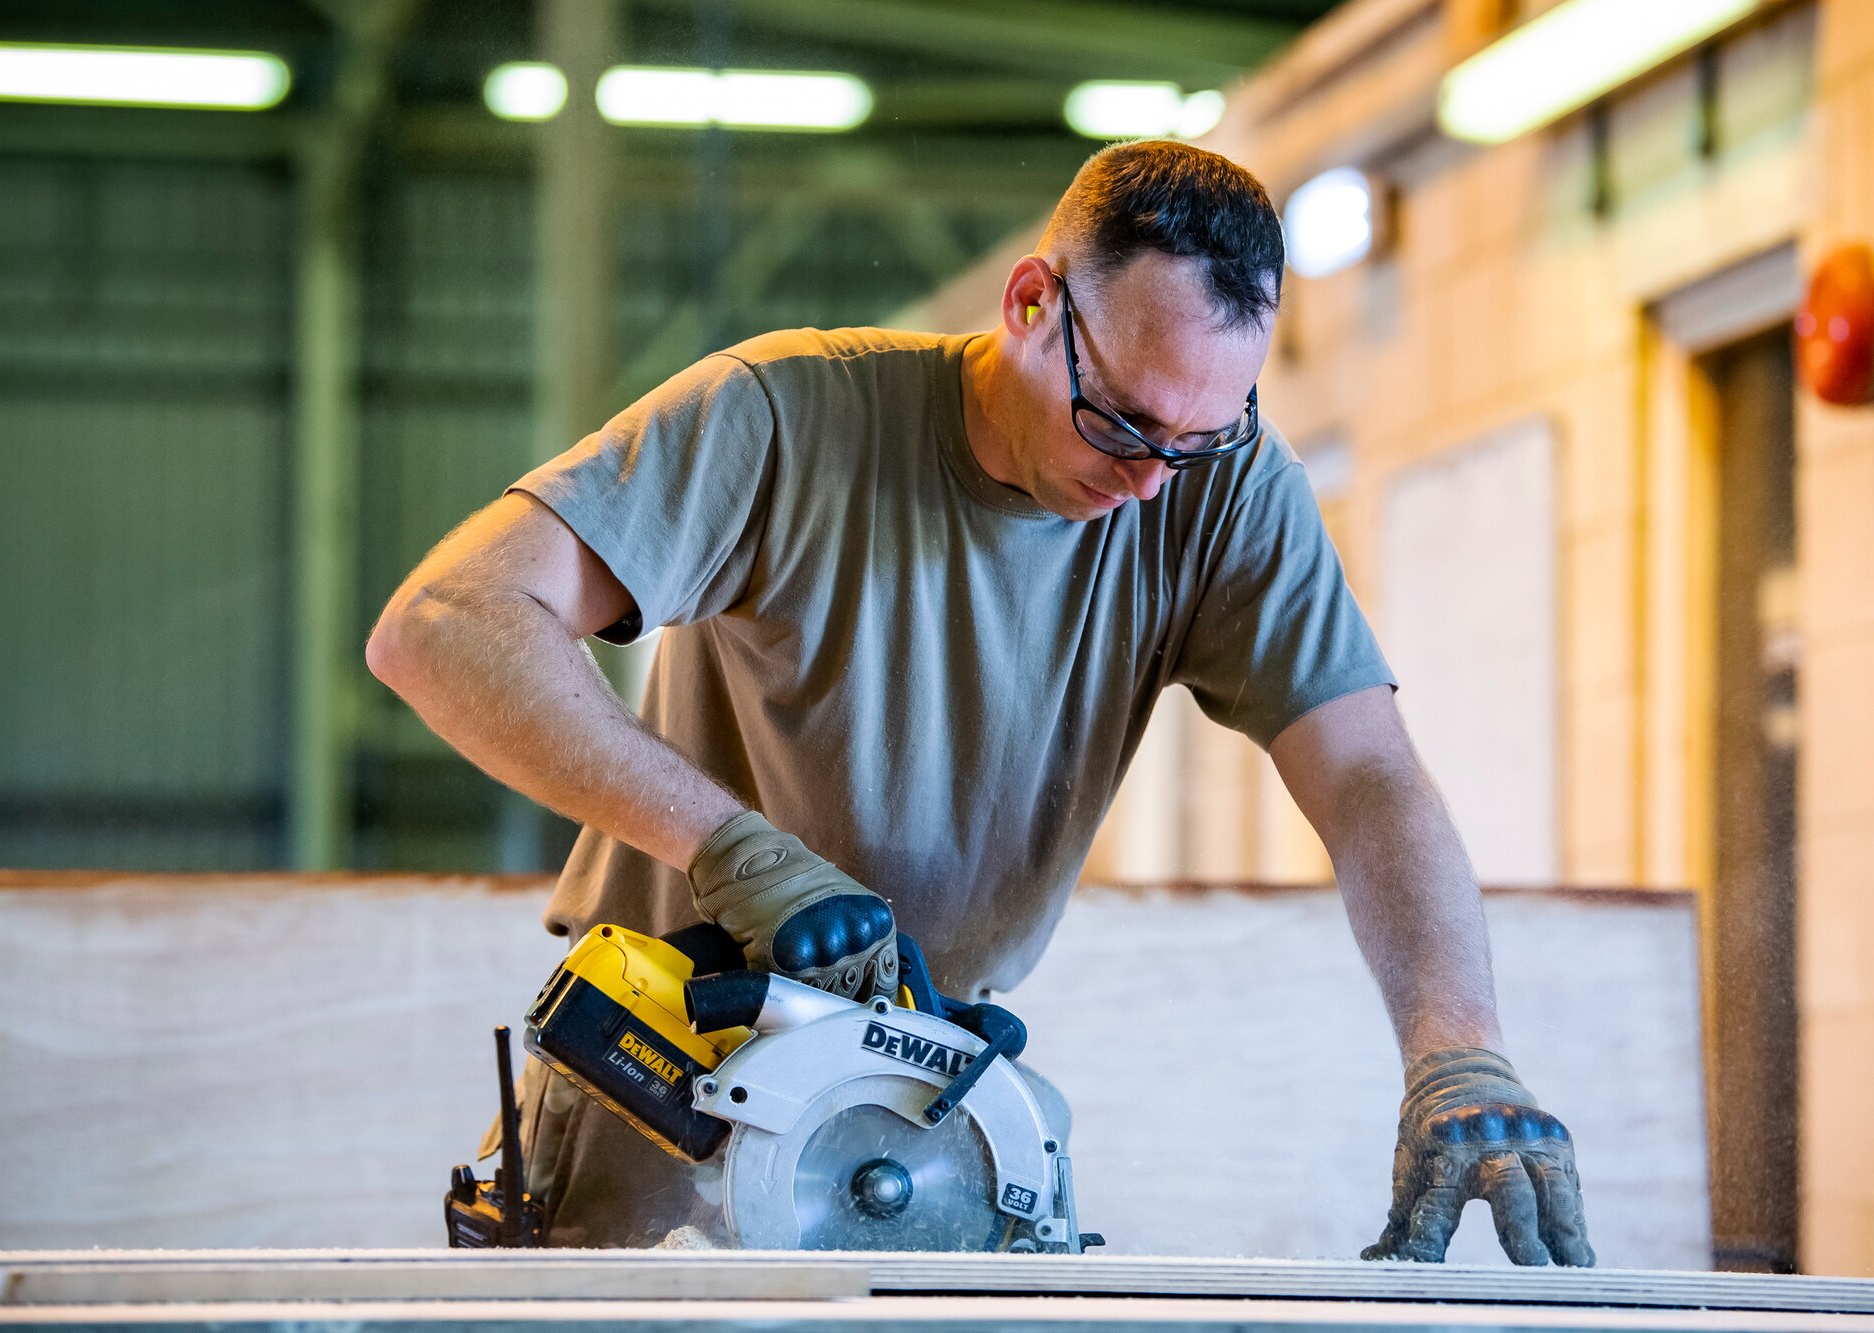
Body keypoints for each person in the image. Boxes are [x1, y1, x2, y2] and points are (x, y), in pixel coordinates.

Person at [366, 139, 1595, 1266]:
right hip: (674, 1060)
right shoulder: (790, 418)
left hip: (929, 1093)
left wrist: (1456, 1048)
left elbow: (1368, 776)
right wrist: (735, 851)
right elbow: (444, 624)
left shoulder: (1216, 491)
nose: (1149, 483)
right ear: (1029, 304)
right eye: (1121, 421)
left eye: (1198, 439)